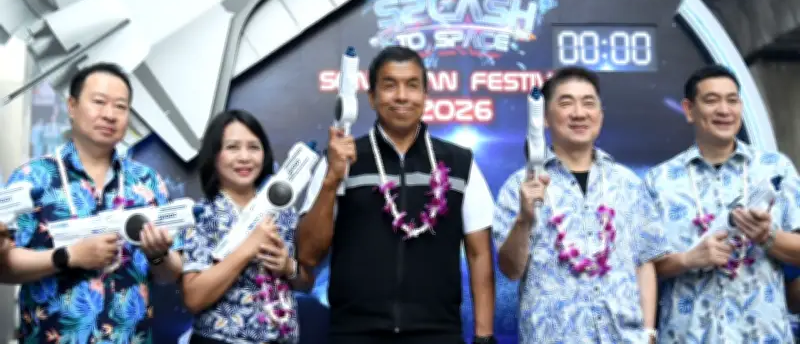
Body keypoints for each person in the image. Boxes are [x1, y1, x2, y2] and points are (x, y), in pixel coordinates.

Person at [296, 46, 497, 344]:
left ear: (425, 95)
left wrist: (484, 337)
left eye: (412, 85)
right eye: (390, 85)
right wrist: (331, 180)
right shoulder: (340, 159)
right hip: (353, 334)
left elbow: (479, 254)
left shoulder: (460, 163)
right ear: (372, 97)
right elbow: (308, 254)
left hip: (438, 335)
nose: (401, 96)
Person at [0, 62, 184, 343]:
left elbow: (170, 274)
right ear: (72, 107)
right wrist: (68, 256)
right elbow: (4, 265)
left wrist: (158, 254)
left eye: (120, 106)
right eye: (99, 102)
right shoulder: (31, 178)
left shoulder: (148, 182)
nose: (109, 114)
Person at [493, 66, 667, 344]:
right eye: (566, 103)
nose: (579, 113)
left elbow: (644, 263)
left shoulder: (627, 183)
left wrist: (648, 333)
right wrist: (524, 219)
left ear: (600, 115)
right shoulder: (519, 186)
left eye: (588, 103)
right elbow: (511, 270)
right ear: (544, 118)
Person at [645, 64, 800, 343]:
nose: (724, 110)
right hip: (687, 336)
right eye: (711, 100)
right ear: (689, 110)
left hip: (762, 335)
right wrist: (687, 260)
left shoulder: (776, 169)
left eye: (732, 100)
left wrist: (767, 236)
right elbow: (643, 267)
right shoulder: (659, 181)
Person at [181, 110, 315, 344]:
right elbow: (194, 298)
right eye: (232, 147)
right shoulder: (202, 215)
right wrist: (247, 248)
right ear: (214, 155)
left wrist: (288, 266)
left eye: (253, 147)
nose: (244, 157)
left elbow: (305, 282)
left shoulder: (284, 210)